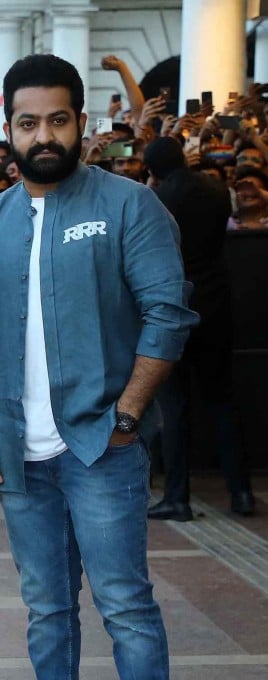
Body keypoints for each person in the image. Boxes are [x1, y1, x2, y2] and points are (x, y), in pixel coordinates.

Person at [0, 54, 198, 679]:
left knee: (126, 607)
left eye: (58, 120)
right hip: (15, 454)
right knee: (46, 610)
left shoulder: (128, 206)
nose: (44, 136)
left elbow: (168, 314)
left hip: (102, 447)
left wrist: (129, 412)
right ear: (8, 129)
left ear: (81, 122)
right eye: (28, 123)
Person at [143, 137, 256, 519]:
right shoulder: (216, 190)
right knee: (222, 402)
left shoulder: (156, 199)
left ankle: (178, 497)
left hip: (174, 306)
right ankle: (241, 493)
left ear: (153, 169)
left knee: (175, 407)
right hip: (218, 305)